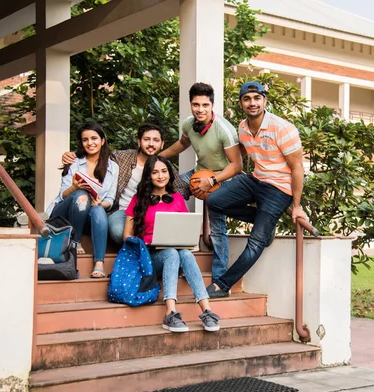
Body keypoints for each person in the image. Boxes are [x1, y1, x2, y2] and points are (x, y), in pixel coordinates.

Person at [205, 82, 307, 298]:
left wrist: (296, 207)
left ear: (264, 101)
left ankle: (223, 285)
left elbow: (297, 168)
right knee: (214, 201)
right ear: (241, 103)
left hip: (279, 188)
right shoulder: (243, 127)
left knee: (256, 242)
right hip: (256, 179)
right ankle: (265, 223)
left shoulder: (283, 129)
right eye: (247, 99)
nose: (252, 103)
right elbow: (242, 150)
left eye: (256, 98)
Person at [123, 155, 220, 332]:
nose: (160, 176)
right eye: (155, 172)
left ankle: (207, 310)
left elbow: (185, 228)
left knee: (184, 253)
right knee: (171, 253)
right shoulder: (138, 199)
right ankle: (170, 313)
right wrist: (145, 242)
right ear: (148, 176)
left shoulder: (177, 199)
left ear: (169, 174)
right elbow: (127, 236)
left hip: (177, 254)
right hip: (150, 257)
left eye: (164, 171)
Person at [160, 82, 243, 282]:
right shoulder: (189, 124)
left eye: (205, 105)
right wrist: (157, 158)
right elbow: (182, 144)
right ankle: (171, 256)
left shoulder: (225, 130)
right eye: (196, 105)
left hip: (223, 178)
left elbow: (236, 165)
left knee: (217, 227)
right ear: (191, 104)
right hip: (199, 173)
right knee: (169, 194)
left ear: (212, 105)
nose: (200, 109)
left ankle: (220, 279)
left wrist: (212, 180)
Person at [62, 123, 190, 244]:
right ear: (139, 142)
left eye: (156, 140)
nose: (151, 144)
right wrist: (73, 155)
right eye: (146, 139)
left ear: (162, 144)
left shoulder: (163, 165)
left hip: (152, 210)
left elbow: (181, 189)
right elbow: (97, 153)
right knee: (118, 232)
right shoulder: (121, 158)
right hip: (123, 211)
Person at [46, 122, 119, 278]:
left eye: (94, 138)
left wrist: (100, 203)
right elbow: (62, 196)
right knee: (81, 195)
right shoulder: (74, 162)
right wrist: (74, 187)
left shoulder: (113, 167)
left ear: (103, 141)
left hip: (89, 215)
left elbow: (110, 199)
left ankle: (99, 262)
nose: (90, 143)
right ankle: (76, 240)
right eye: (85, 140)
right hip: (65, 213)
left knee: (99, 210)